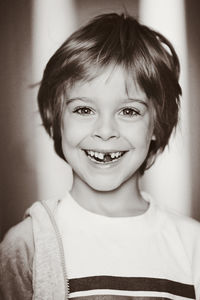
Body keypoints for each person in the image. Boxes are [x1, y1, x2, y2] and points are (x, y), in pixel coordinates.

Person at [0, 12, 200, 300]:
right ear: (57, 119)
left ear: (156, 124)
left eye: (129, 111)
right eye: (84, 110)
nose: (105, 131)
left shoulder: (192, 244)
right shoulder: (26, 246)